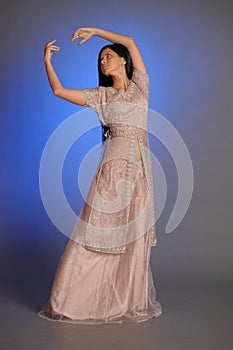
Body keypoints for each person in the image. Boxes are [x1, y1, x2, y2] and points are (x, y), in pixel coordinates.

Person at [38, 27, 162, 324]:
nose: (103, 62)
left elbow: (130, 40)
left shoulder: (141, 86)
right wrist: (47, 63)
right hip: (113, 171)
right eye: (101, 60)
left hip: (141, 171)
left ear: (122, 60)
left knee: (134, 240)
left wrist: (95, 32)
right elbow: (59, 91)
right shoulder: (101, 96)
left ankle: (124, 301)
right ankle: (69, 299)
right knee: (94, 234)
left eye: (108, 56)